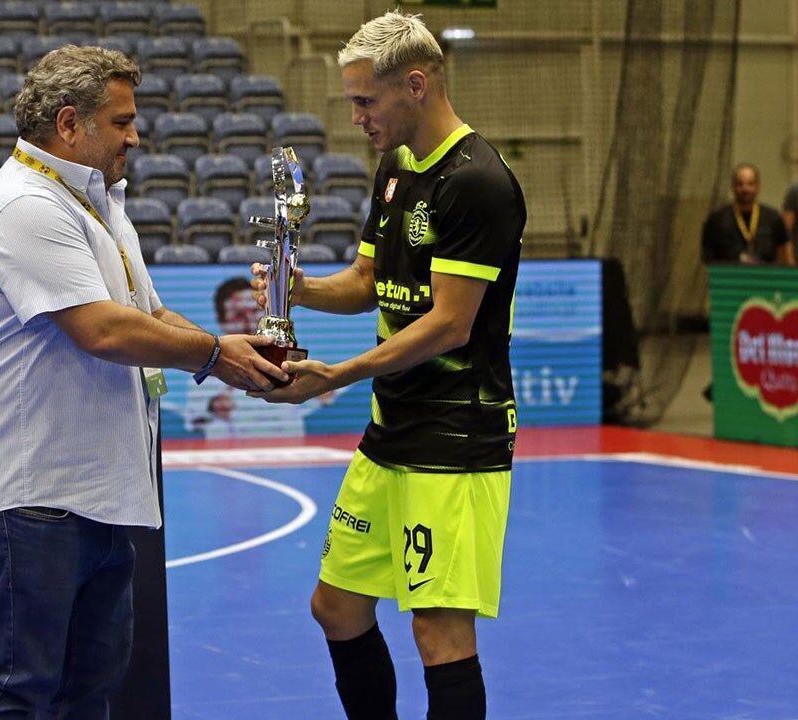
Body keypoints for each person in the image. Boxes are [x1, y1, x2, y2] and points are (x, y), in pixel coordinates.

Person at [0, 45, 287, 719]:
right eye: (121, 121)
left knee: (83, 692)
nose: (135, 134)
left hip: (91, 492)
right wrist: (215, 355)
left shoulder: (96, 204)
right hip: (30, 492)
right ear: (70, 124)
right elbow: (101, 329)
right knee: (12, 689)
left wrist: (243, 352)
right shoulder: (23, 206)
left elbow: (148, 316)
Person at [249, 11, 525, 719]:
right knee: (336, 606)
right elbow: (369, 282)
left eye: (366, 101)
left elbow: (449, 323)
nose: (355, 116)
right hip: (391, 431)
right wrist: (298, 289)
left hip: (457, 438)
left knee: (438, 629)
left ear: (417, 83)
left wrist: (336, 376)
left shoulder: (478, 182)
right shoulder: (396, 168)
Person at [183, 276, 335, 438]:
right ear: (221, 321)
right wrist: (212, 408)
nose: (248, 321)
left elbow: (329, 404)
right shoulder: (206, 371)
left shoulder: (297, 364)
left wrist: (320, 388)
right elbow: (193, 424)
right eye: (238, 315)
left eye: (254, 311)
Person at [703, 164, 794, 266]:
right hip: (728, 278)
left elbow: (783, 255)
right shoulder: (717, 219)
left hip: (765, 278)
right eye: (740, 184)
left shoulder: (773, 218)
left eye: (750, 184)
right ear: (733, 186)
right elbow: (708, 258)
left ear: (758, 186)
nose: (745, 189)